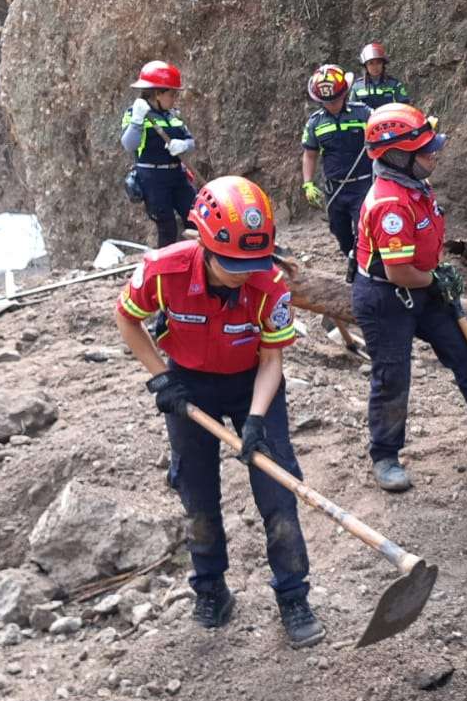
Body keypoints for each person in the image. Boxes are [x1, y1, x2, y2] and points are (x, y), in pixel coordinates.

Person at [114, 176, 324, 650]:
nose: (242, 274)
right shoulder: (164, 270)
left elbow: (271, 361)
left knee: (278, 491)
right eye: (232, 264)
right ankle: (210, 589)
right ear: (205, 245)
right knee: (197, 492)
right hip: (188, 382)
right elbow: (126, 317)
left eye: (251, 263)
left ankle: (293, 597)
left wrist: (256, 420)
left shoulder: (269, 283)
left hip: (253, 382)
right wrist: (161, 379)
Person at [351, 103, 467, 493]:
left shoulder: (415, 185)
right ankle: (385, 456)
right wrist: (435, 279)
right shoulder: (389, 204)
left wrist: (436, 274)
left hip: (423, 285)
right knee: (392, 376)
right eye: (424, 149)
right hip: (386, 297)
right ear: (397, 156)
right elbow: (398, 272)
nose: (434, 154)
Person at [121, 60, 199, 249]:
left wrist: (184, 145)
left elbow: (191, 141)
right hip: (152, 178)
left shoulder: (173, 115)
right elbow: (129, 144)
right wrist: (137, 121)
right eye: (171, 94)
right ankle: (165, 265)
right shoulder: (135, 114)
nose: (174, 99)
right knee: (167, 227)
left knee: (195, 218)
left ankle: (200, 261)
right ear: (157, 93)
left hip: (177, 174)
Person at [300, 64, 374, 261]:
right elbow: (310, 154)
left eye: (335, 100)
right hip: (335, 189)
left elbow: (382, 127)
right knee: (339, 231)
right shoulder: (315, 123)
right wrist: (308, 183)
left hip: (363, 185)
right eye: (327, 102)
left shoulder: (363, 113)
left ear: (344, 94)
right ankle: (351, 255)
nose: (332, 104)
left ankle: (361, 264)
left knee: (364, 227)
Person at [351, 42, 410, 111]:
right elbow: (351, 110)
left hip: (388, 117)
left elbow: (405, 108)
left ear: (383, 64)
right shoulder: (357, 87)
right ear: (365, 66)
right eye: (371, 63)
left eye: (378, 63)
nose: (375, 67)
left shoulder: (394, 85)